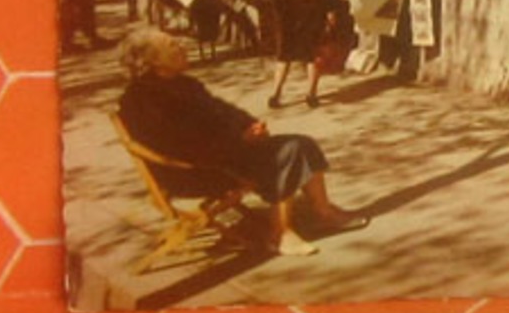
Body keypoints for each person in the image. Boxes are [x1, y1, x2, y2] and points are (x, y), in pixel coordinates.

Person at [117, 26, 367, 256]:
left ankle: (324, 212)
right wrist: (239, 140)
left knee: (303, 142)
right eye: (172, 46)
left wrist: (248, 124)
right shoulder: (144, 101)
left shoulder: (183, 83)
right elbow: (183, 147)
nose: (182, 47)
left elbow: (222, 110)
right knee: (288, 152)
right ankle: (279, 234)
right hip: (192, 171)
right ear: (153, 62)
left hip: (221, 153)